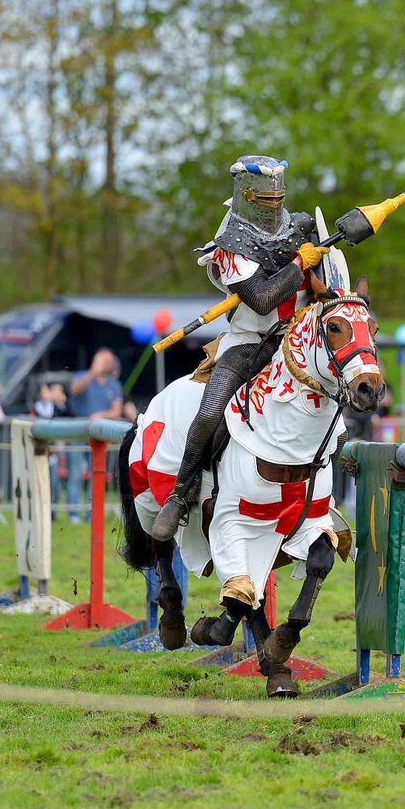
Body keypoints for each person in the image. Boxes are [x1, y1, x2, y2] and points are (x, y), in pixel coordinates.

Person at [152, 155, 329, 541]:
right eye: (267, 199)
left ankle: (331, 479)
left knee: (340, 391)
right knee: (210, 410)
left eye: (278, 197)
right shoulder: (230, 245)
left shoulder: (301, 226)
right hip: (250, 343)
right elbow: (263, 299)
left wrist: (329, 255)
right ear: (247, 196)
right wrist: (299, 263)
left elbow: (324, 284)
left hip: (299, 343)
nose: (274, 205)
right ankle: (181, 494)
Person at [66, 349, 123, 523]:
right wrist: (93, 372)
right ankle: (74, 514)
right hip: (77, 432)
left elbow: (116, 410)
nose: (106, 364)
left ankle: (93, 514)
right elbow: (75, 390)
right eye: (102, 360)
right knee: (75, 473)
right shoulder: (82, 375)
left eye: (108, 361)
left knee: (96, 474)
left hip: (99, 435)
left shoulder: (113, 384)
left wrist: (101, 415)